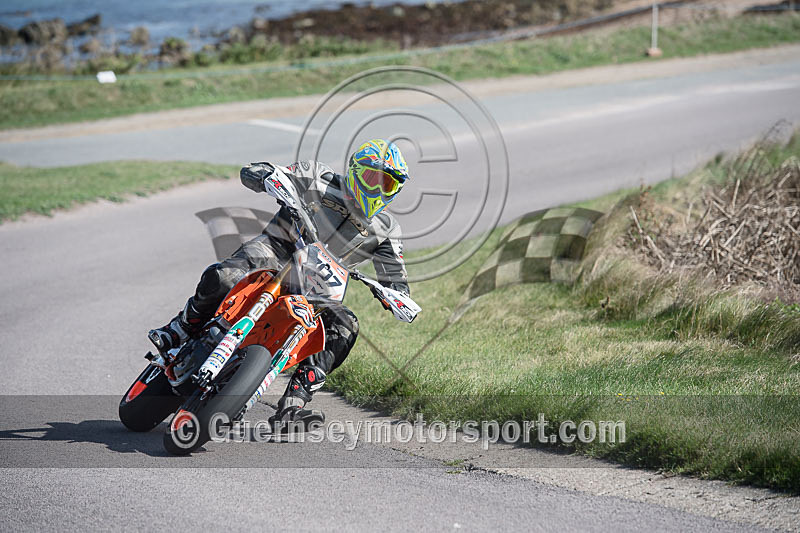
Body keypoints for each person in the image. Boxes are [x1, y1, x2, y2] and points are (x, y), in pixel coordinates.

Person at [148, 139, 411, 426]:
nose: (377, 188)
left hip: (319, 286)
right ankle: (181, 327)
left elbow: (396, 276)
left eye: (387, 184)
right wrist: (265, 175)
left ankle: (294, 405)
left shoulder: (387, 230)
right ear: (355, 171)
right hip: (276, 252)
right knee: (225, 277)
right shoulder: (316, 176)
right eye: (372, 178)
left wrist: (397, 297)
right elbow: (260, 171)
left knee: (345, 325)